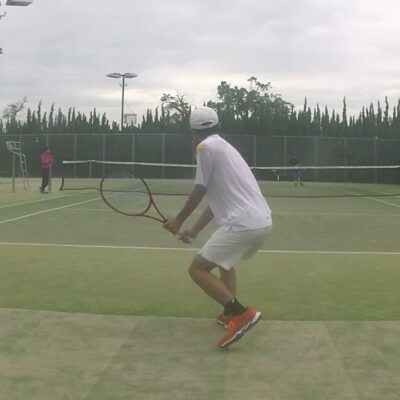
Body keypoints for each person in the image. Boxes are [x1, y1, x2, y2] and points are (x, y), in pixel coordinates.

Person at [164, 106, 272, 349]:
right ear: (217, 126)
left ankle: (240, 314)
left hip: (242, 223)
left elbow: (200, 189)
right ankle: (229, 313)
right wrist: (194, 230)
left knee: (197, 269)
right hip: (261, 221)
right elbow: (215, 202)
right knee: (225, 263)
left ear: (193, 132)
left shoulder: (204, 148)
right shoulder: (225, 148)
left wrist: (179, 220)